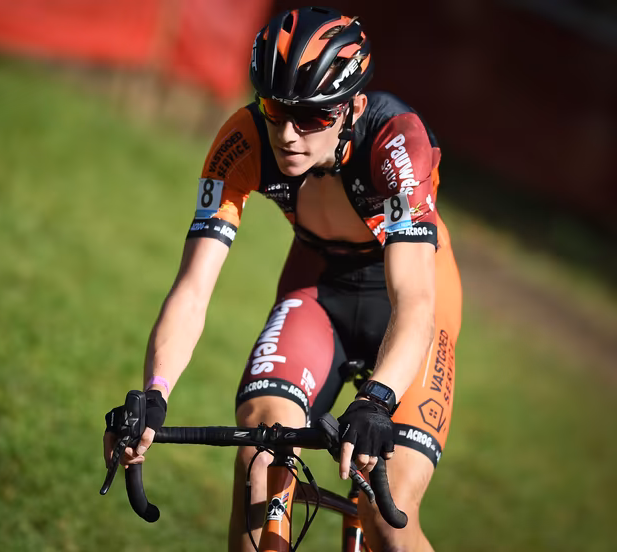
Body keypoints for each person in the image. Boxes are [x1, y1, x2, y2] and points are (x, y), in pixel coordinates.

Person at [103, 6, 461, 551]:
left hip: (407, 305)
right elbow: (194, 286)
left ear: (352, 108)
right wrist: (155, 394)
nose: (287, 135)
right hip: (318, 290)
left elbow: (414, 300)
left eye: (312, 117)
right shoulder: (244, 141)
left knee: (390, 517)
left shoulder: (394, 142)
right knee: (262, 454)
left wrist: (377, 400)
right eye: (274, 108)